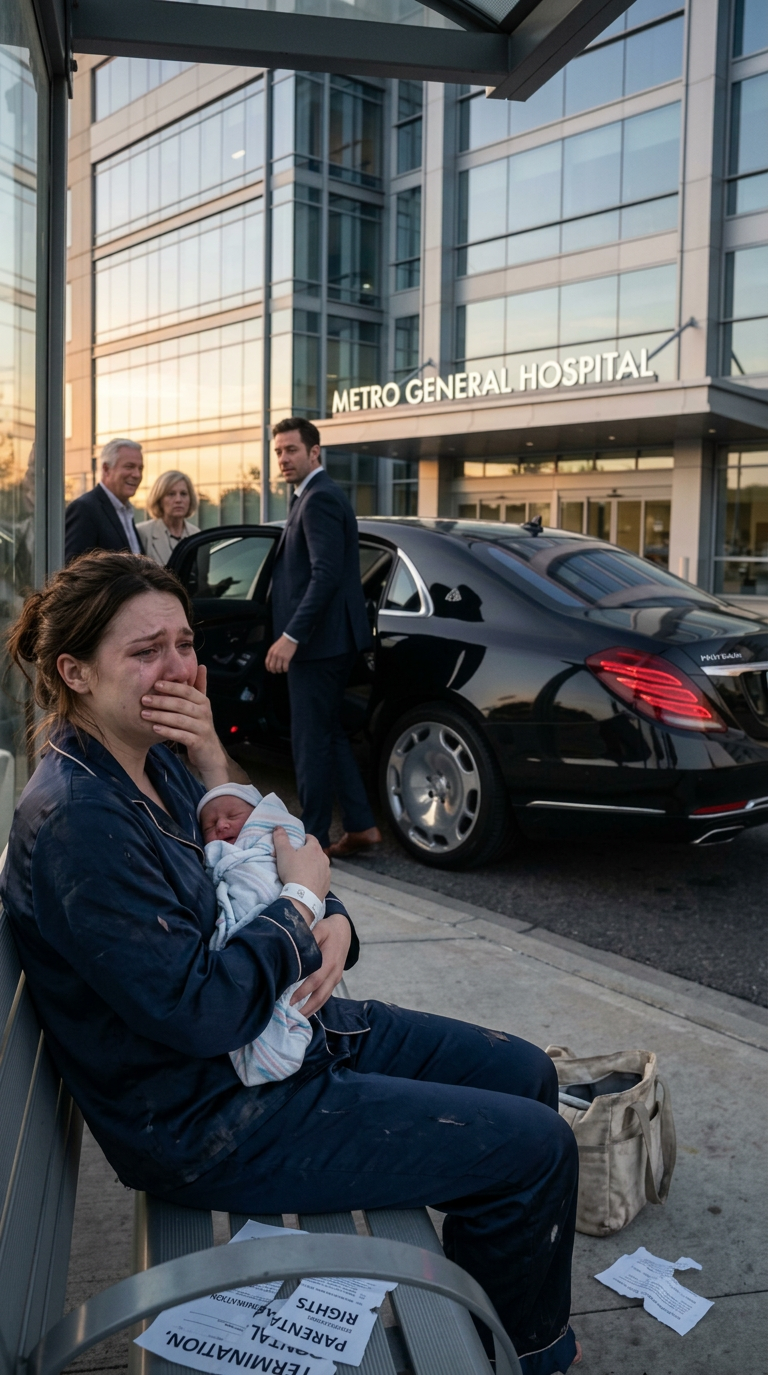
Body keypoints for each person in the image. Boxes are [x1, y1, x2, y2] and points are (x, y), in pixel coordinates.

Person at [1, 551, 581, 1375]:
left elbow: (261, 855)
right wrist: (309, 907)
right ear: (76, 671)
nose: (179, 668)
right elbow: (203, 1009)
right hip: (212, 1115)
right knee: (536, 1150)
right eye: (144, 652)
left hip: (281, 1038)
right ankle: (529, 1354)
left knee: (525, 1073)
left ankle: (491, 1320)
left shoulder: (151, 754)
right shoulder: (80, 822)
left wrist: (328, 917)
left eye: (185, 642)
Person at [266, 417, 382, 859]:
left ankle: (309, 842)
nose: (283, 459)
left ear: (315, 452)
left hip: (318, 645)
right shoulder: (312, 497)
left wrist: (292, 635)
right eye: (278, 452)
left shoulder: (319, 498)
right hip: (329, 641)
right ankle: (361, 827)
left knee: (310, 743)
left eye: (291, 450)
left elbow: (326, 574)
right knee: (328, 736)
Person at [198, 780, 346, 1087]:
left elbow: (308, 875)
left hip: (294, 949)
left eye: (233, 815)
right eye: (210, 826)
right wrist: (303, 897)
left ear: (259, 819)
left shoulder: (274, 841)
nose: (222, 825)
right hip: (253, 966)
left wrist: (337, 918)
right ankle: (273, 1038)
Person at [65, 438, 144, 562]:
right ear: (106, 469)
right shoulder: (84, 509)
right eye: (130, 467)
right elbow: (73, 569)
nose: (137, 474)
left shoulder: (126, 511)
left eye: (140, 468)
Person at [136, 470, 200, 566]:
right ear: (159, 499)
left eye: (183, 494)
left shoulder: (196, 534)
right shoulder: (143, 533)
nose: (178, 500)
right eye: (171, 494)